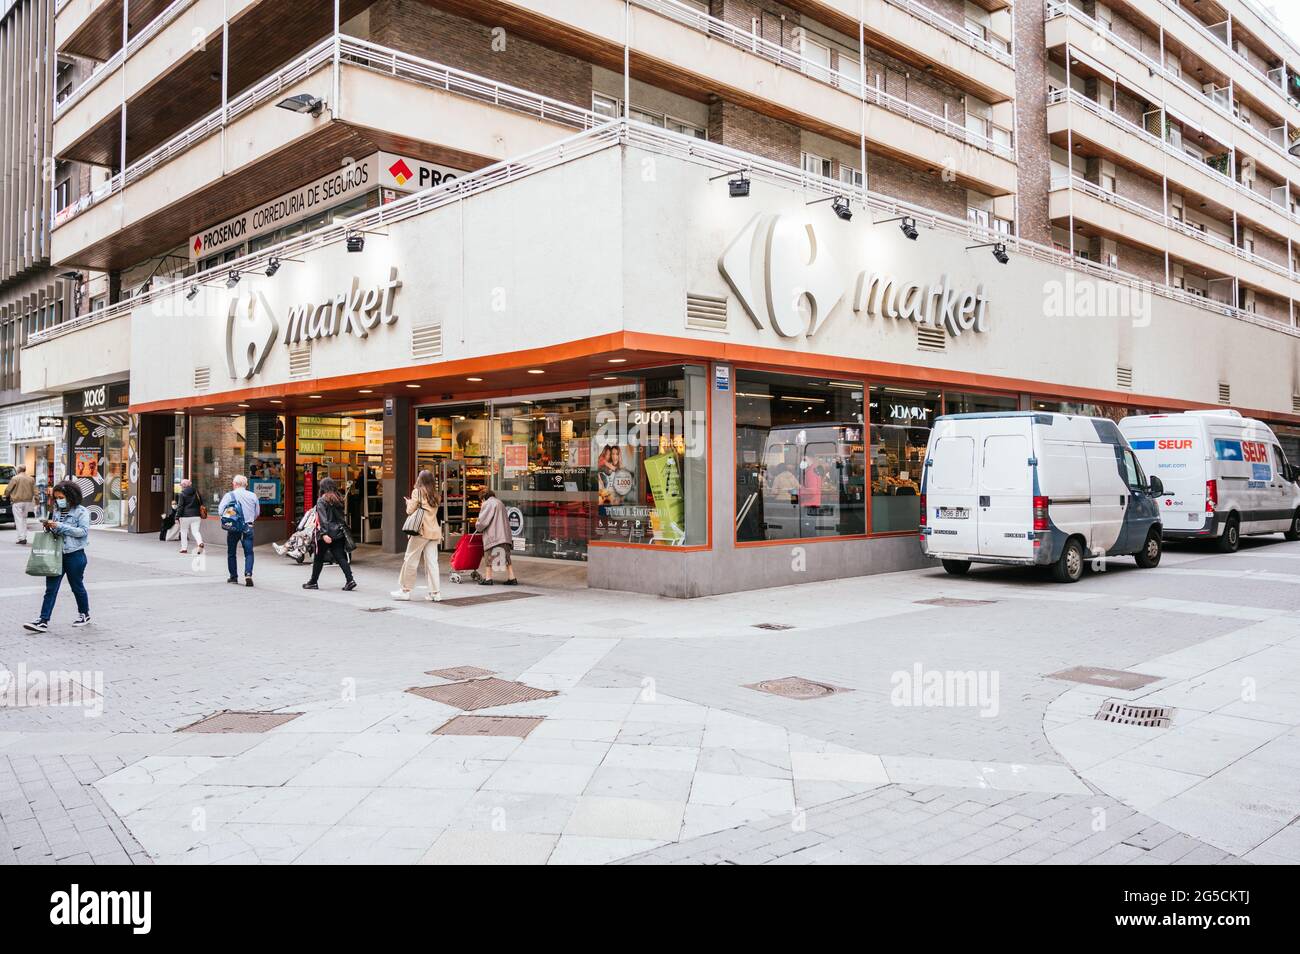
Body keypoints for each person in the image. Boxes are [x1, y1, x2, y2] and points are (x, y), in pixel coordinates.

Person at [23, 481, 91, 632]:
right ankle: (43, 620)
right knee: (51, 589)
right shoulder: (57, 511)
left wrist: (60, 526)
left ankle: (84, 614)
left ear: (70, 496)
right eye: (56, 497)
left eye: (61, 497)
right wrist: (50, 526)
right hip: (57, 555)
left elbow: (83, 532)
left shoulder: (81, 511)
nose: (58, 500)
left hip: (74, 555)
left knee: (77, 586)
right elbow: (57, 532)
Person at [392, 469, 442, 602]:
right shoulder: (436, 495)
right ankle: (435, 593)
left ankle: (405, 590)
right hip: (434, 531)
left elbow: (410, 511)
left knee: (410, 559)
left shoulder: (417, 492)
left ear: (420, 480)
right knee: (432, 562)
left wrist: (408, 502)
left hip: (420, 531)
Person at [303, 476, 356, 591]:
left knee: (318, 558)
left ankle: (313, 582)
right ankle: (350, 580)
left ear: (322, 487)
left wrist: (324, 534)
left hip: (327, 534)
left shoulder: (322, 500)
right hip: (339, 532)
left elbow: (323, 519)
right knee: (341, 557)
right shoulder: (338, 498)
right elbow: (341, 518)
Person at [218, 475, 259, 587]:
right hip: (248, 527)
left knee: (232, 552)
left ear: (235, 484)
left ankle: (233, 577)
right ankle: (248, 574)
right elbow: (257, 513)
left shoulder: (229, 495)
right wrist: (249, 520)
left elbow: (221, 511)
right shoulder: (253, 495)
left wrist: (231, 515)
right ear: (246, 485)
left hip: (234, 527)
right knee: (249, 552)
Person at [475, 488, 516, 586]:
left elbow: (483, 521)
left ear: (484, 497)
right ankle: (512, 577)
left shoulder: (488, 504)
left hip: (493, 535)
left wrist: (477, 526)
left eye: (481, 499)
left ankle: (488, 578)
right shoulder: (499, 502)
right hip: (504, 535)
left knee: (488, 556)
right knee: (506, 557)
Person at [7, 466, 37, 545]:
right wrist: (37, 500)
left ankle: (21, 538)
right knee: (24, 519)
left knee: (18, 520)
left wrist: (5, 495)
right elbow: (35, 490)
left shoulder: (15, 478)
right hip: (28, 501)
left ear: (18, 470)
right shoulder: (31, 479)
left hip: (17, 501)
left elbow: (8, 489)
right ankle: (24, 536)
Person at [175, 478, 204, 555]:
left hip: (185, 516)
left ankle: (184, 548)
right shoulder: (196, 492)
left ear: (183, 486)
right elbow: (201, 502)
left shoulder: (182, 494)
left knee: (184, 532)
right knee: (196, 531)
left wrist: (177, 517)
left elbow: (180, 506)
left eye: (181, 485)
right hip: (196, 515)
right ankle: (200, 542)